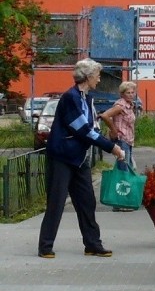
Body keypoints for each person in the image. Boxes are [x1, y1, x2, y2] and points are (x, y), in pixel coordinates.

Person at [38, 58, 126, 259]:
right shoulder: (70, 97)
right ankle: (45, 246)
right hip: (62, 156)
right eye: (97, 75)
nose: (99, 79)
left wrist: (108, 137)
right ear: (87, 77)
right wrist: (111, 148)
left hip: (79, 158)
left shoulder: (86, 98)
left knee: (87, 201)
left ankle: (93, 244)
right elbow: (82, 130)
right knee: (56, 202)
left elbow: (92, 127)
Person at [99, 80, 138, 211]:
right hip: (122, 141)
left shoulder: (130, 105)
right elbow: (105, 115)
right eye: (128, 92)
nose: (131, 94)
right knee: (124, 171)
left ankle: (119, 202)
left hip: (128, 140)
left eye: (133, 92)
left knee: (126, 169)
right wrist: (114, 130)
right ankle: (122, 203)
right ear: (122, 93)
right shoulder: (120, 105)